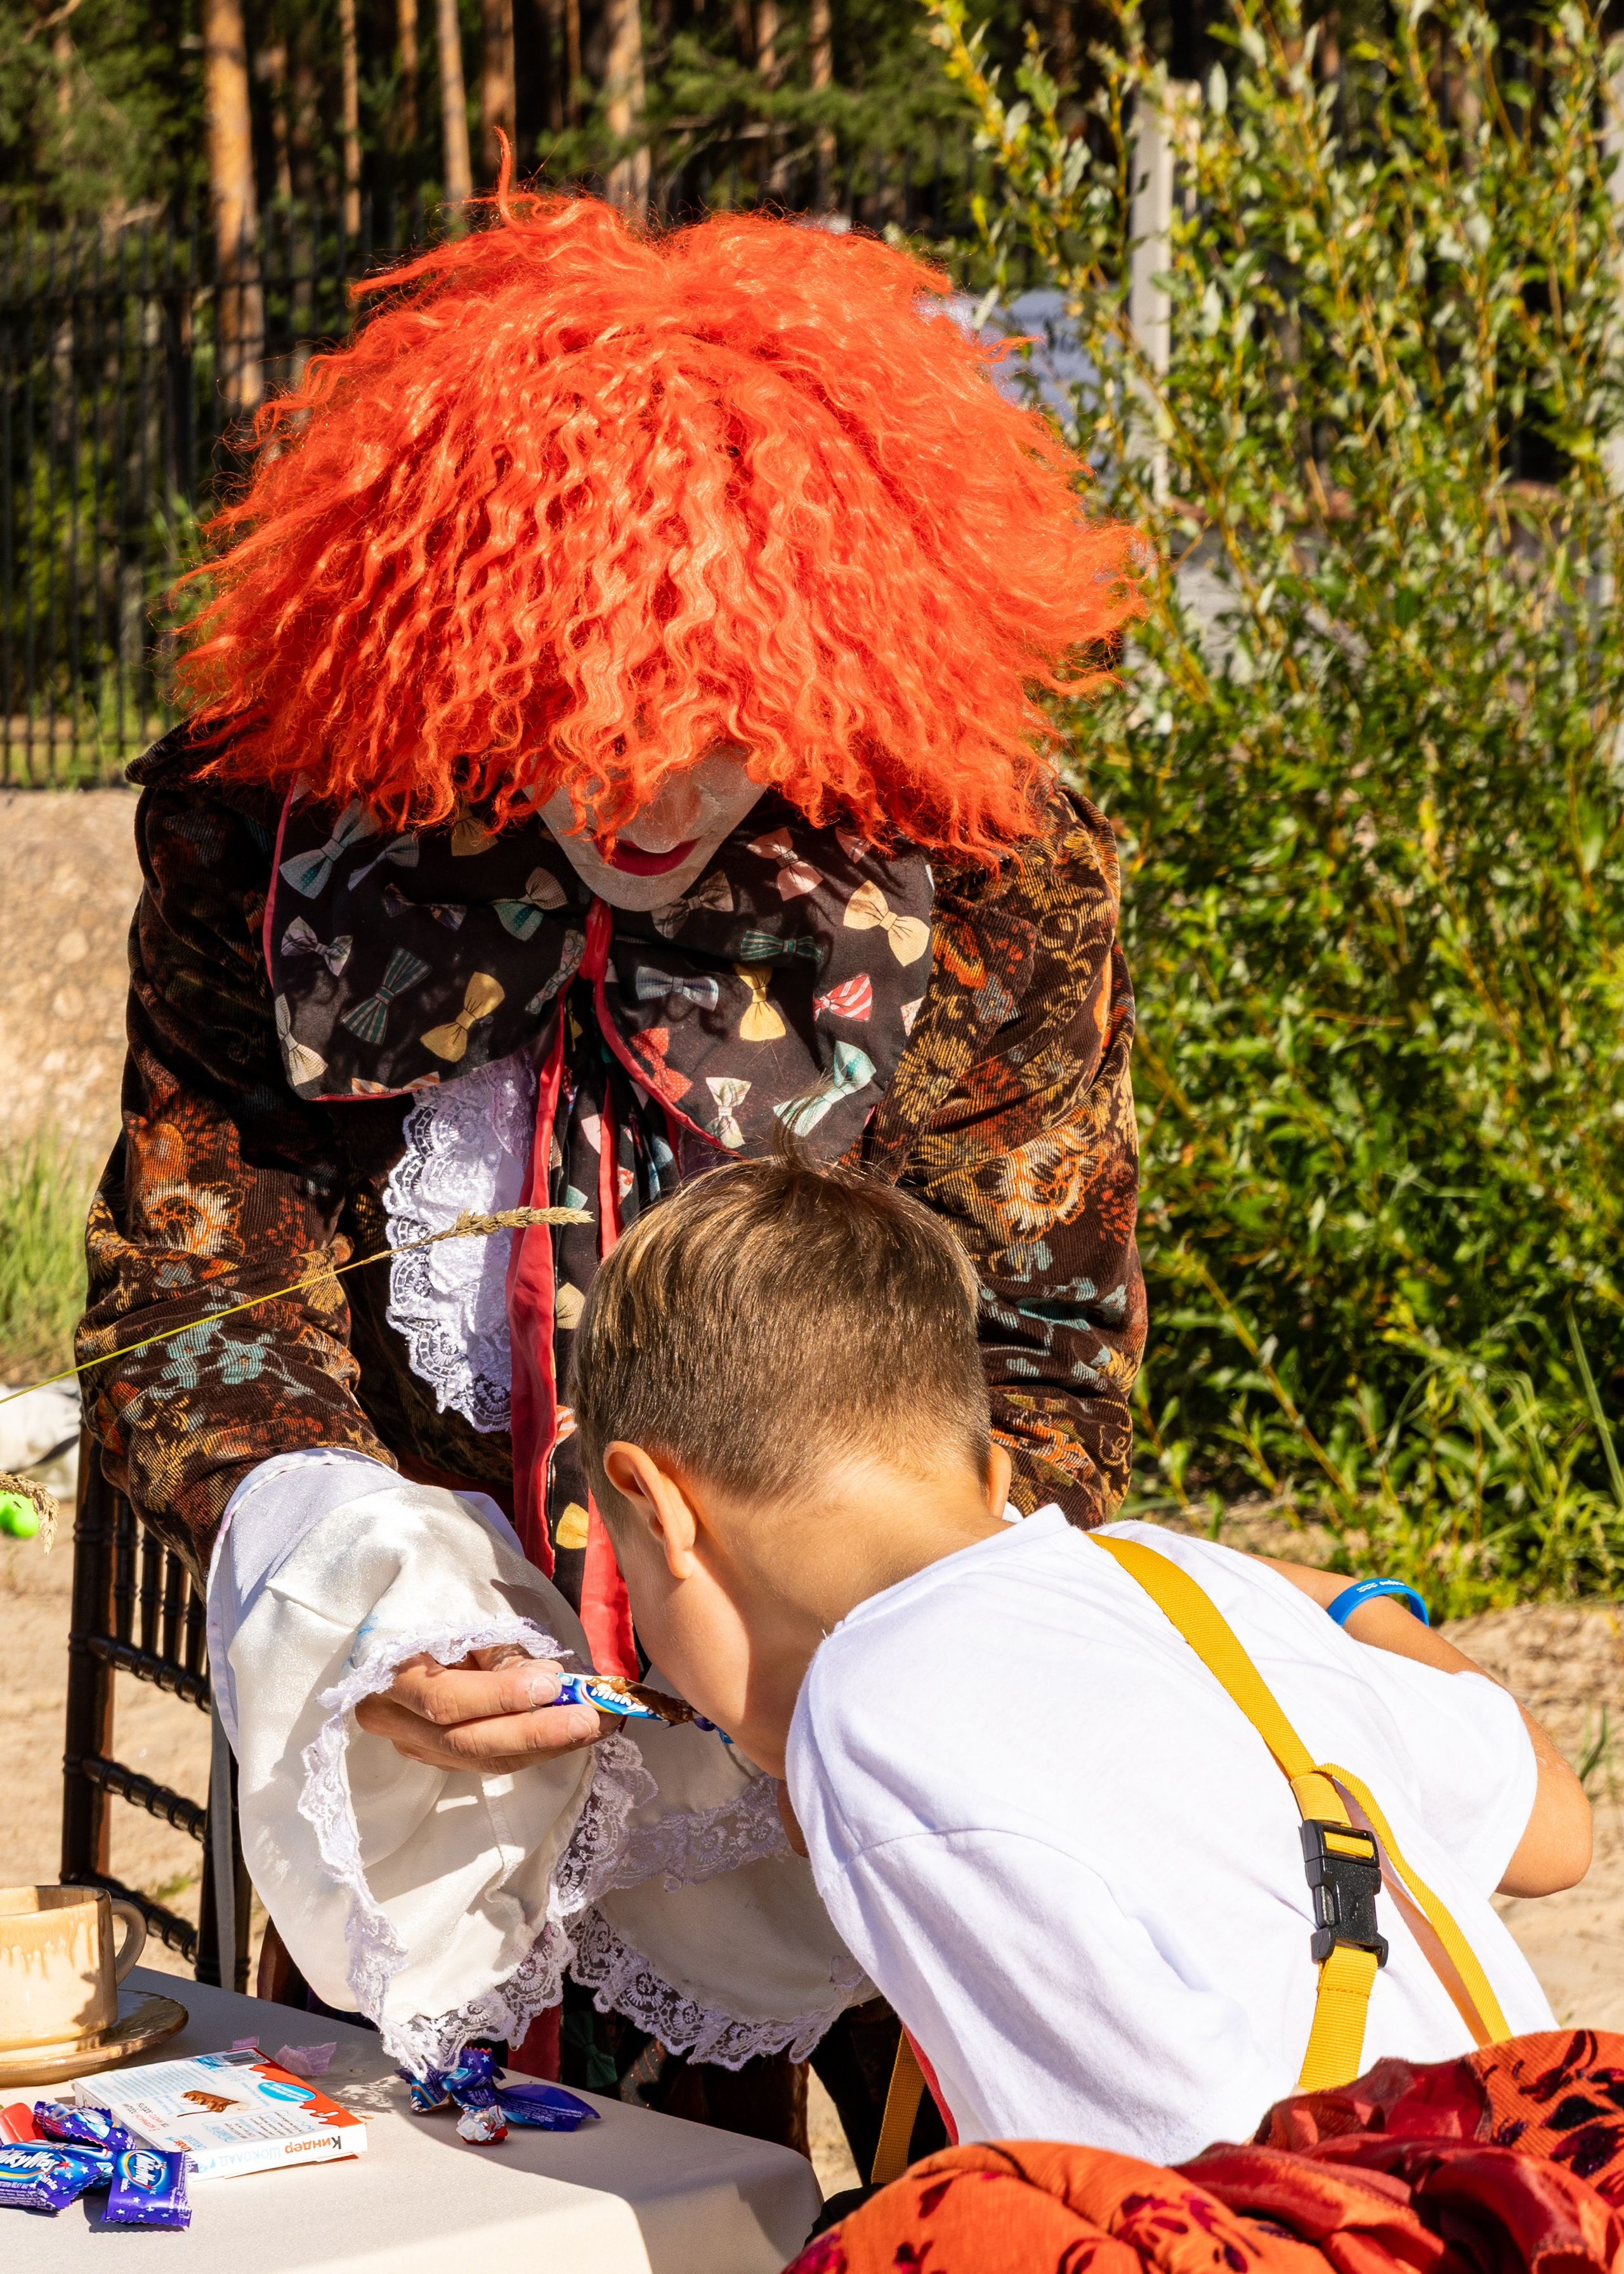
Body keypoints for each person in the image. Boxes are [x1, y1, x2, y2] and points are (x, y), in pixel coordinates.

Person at [76, 181, 1142, 2150]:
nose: (651, 786)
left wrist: (847, 1653)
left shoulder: (988, 883)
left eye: (723, 721)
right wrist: (371, 1609)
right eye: (580, 716)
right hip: (430, 1779)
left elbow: (1056, 1358)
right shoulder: (270, 852)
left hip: (835, 1743)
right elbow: (189, 1309)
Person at [568, 1150, 1592, 2166]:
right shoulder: (1179, 1584)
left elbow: (1140, 2193)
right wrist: (1342, 1597)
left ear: (660, 1508)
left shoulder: (871, 1710)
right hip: (1533, 2196)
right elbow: (1555, 1834)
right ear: (992, 1468)